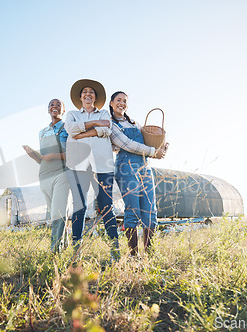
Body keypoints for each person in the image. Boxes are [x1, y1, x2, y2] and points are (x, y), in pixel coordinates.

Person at [64, 79, 120, 262]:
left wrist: (82, 133)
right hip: (78, 165)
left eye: (91, 92)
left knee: (106, 207)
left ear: (95, 97)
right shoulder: (72, 114)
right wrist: (95, 125)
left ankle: (114, 251)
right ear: (80, 97)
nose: (88, 94)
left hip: (102, 165)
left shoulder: (105, 112)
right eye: (85, 92)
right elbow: (71, 130)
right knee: (78, 208)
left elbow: (107, 129)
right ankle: (76, 252)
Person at [109, 91, 168, 257]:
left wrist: (161, 145)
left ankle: (150, 254)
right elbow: (127, 144)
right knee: (133, 210)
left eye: (125, 101)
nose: (122, 103)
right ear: (112, 103)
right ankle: (133, 255)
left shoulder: (135, 123)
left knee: (150, 211)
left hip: (145, 167)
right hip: (126, 167)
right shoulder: (111, 125)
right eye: (118, 100)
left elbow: (149, 139)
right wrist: (152, 151)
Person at [23, 99, 69, 253]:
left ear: (63, 110)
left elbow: (73, 155)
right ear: (48, 110)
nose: (54, 107)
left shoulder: (67, 129)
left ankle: (55, 251)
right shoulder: (42, 132)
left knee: (58, 213)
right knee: (54, 214)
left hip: (61, 173)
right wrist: (33, 155)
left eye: (58, 105)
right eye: (51, 105)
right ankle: (64, 245)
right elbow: (42, 158)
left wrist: (54, 155)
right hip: (44, 175)